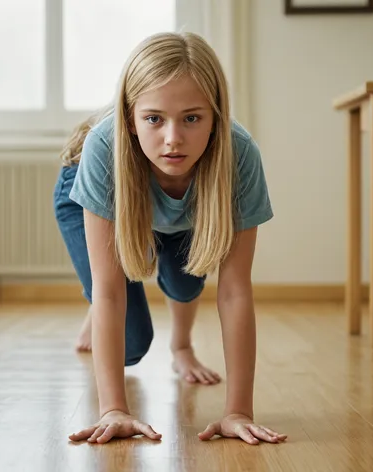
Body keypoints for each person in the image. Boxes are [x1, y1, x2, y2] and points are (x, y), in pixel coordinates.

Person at [54, 31, 287, 445]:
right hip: (97, 194)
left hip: (183, 210)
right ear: (130, 119)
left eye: (192, 118)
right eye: (154, 118)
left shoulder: (240, 155)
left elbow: (234, 292)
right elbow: (111, 293)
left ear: (216, 118)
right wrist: (114, 410)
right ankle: (95, 291)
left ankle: (182, 346)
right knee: (129, 342)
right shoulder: (103, 148)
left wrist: (238, 412)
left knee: (186, 280)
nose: (173, 138)